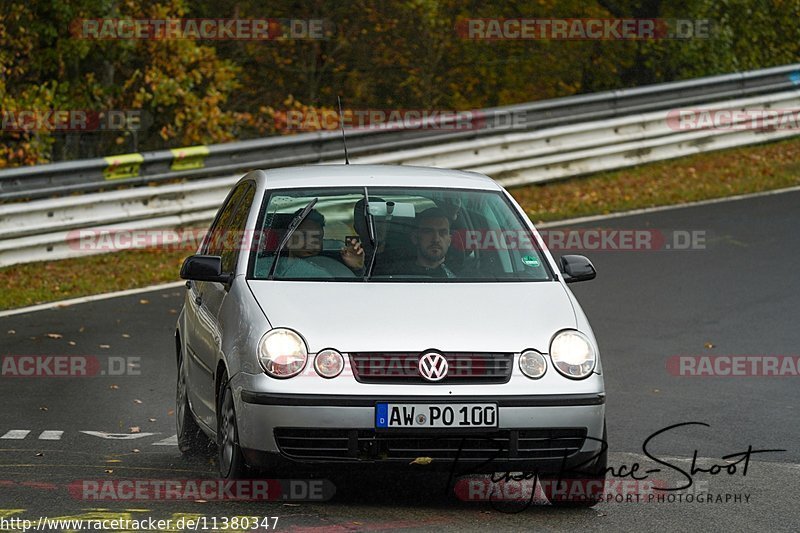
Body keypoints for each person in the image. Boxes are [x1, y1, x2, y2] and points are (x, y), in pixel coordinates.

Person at [276, 208, 364, 278]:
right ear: (288, 238)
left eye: (317, 238)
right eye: (304, 236)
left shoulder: (332, 265)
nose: (311, 243)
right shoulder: (271, 266)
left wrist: (357, 268)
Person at [403, 207, 456, 278]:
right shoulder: (396, 276)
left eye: (442, 233)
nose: (436, 239)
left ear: (449, 240)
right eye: (428, 232)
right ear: (415, 238)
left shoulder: (464, 277)